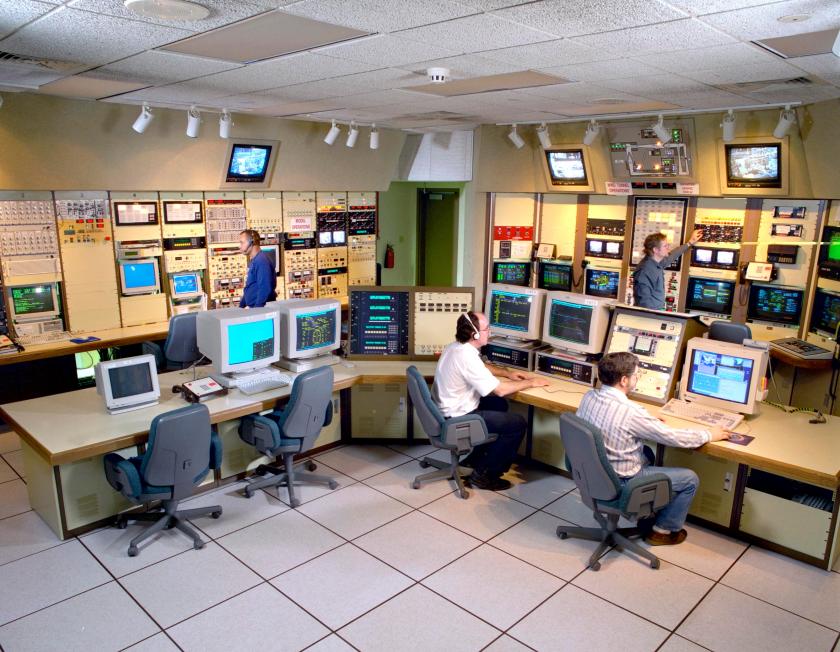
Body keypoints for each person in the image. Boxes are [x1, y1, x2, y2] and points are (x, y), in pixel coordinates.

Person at [576, 352, 729, 545]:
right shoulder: (631, 413)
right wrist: (709, 434)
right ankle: (662, 531)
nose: (637, 378)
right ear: (624, 380)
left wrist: (646, 419)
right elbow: (672, 437)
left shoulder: (589, 396)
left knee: (647, 452)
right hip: (621, 481)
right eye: (636, 374)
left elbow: (616, 417)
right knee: (690, 479)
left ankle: (643, 513)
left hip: (592, 474)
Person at [432, 311, 550, 490]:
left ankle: (476, 460)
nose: (490, 333)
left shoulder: (456, 347)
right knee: (516, 424)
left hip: (448, 410)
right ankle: (485, 475)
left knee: (498, 405)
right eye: (487, 329)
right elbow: (501, 390)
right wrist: (531, 382)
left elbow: (481, 367)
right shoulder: (466, 357)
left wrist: (507, 373)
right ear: (475, 334)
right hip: (458, 417)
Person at [633, 229, 703, 310]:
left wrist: (689, 243)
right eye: (665, 246)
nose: (668, 247)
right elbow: (644, 303)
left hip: (655, 312)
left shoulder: (656, 262)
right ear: (655, 250)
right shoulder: (645, 271)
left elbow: (672, 256)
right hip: (649, 316)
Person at [238, 229, 277, 308]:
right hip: (255, 308)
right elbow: (250, 287)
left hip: (261, 310)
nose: (239, 246)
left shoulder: (261, 261)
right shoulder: (254, 260)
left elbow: (265, 289)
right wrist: (240, 307)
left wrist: (257, 311)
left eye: (242, 242)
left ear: (251, 242)